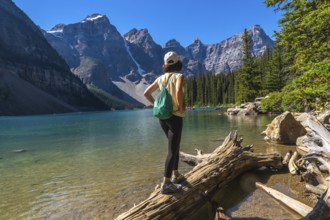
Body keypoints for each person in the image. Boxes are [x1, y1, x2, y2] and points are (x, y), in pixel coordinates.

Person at [144, 51, 186, 194]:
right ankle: (166, 183)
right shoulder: (179, 76)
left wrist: (156, 104)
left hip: (163, 117)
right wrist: (181, 107)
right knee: (172, 150)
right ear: (177, 63)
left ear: (166, 65)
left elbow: (146, 93)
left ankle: (176, 174)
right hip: (175, 116)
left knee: (175, 145)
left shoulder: (160, 79)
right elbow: (179, 90)